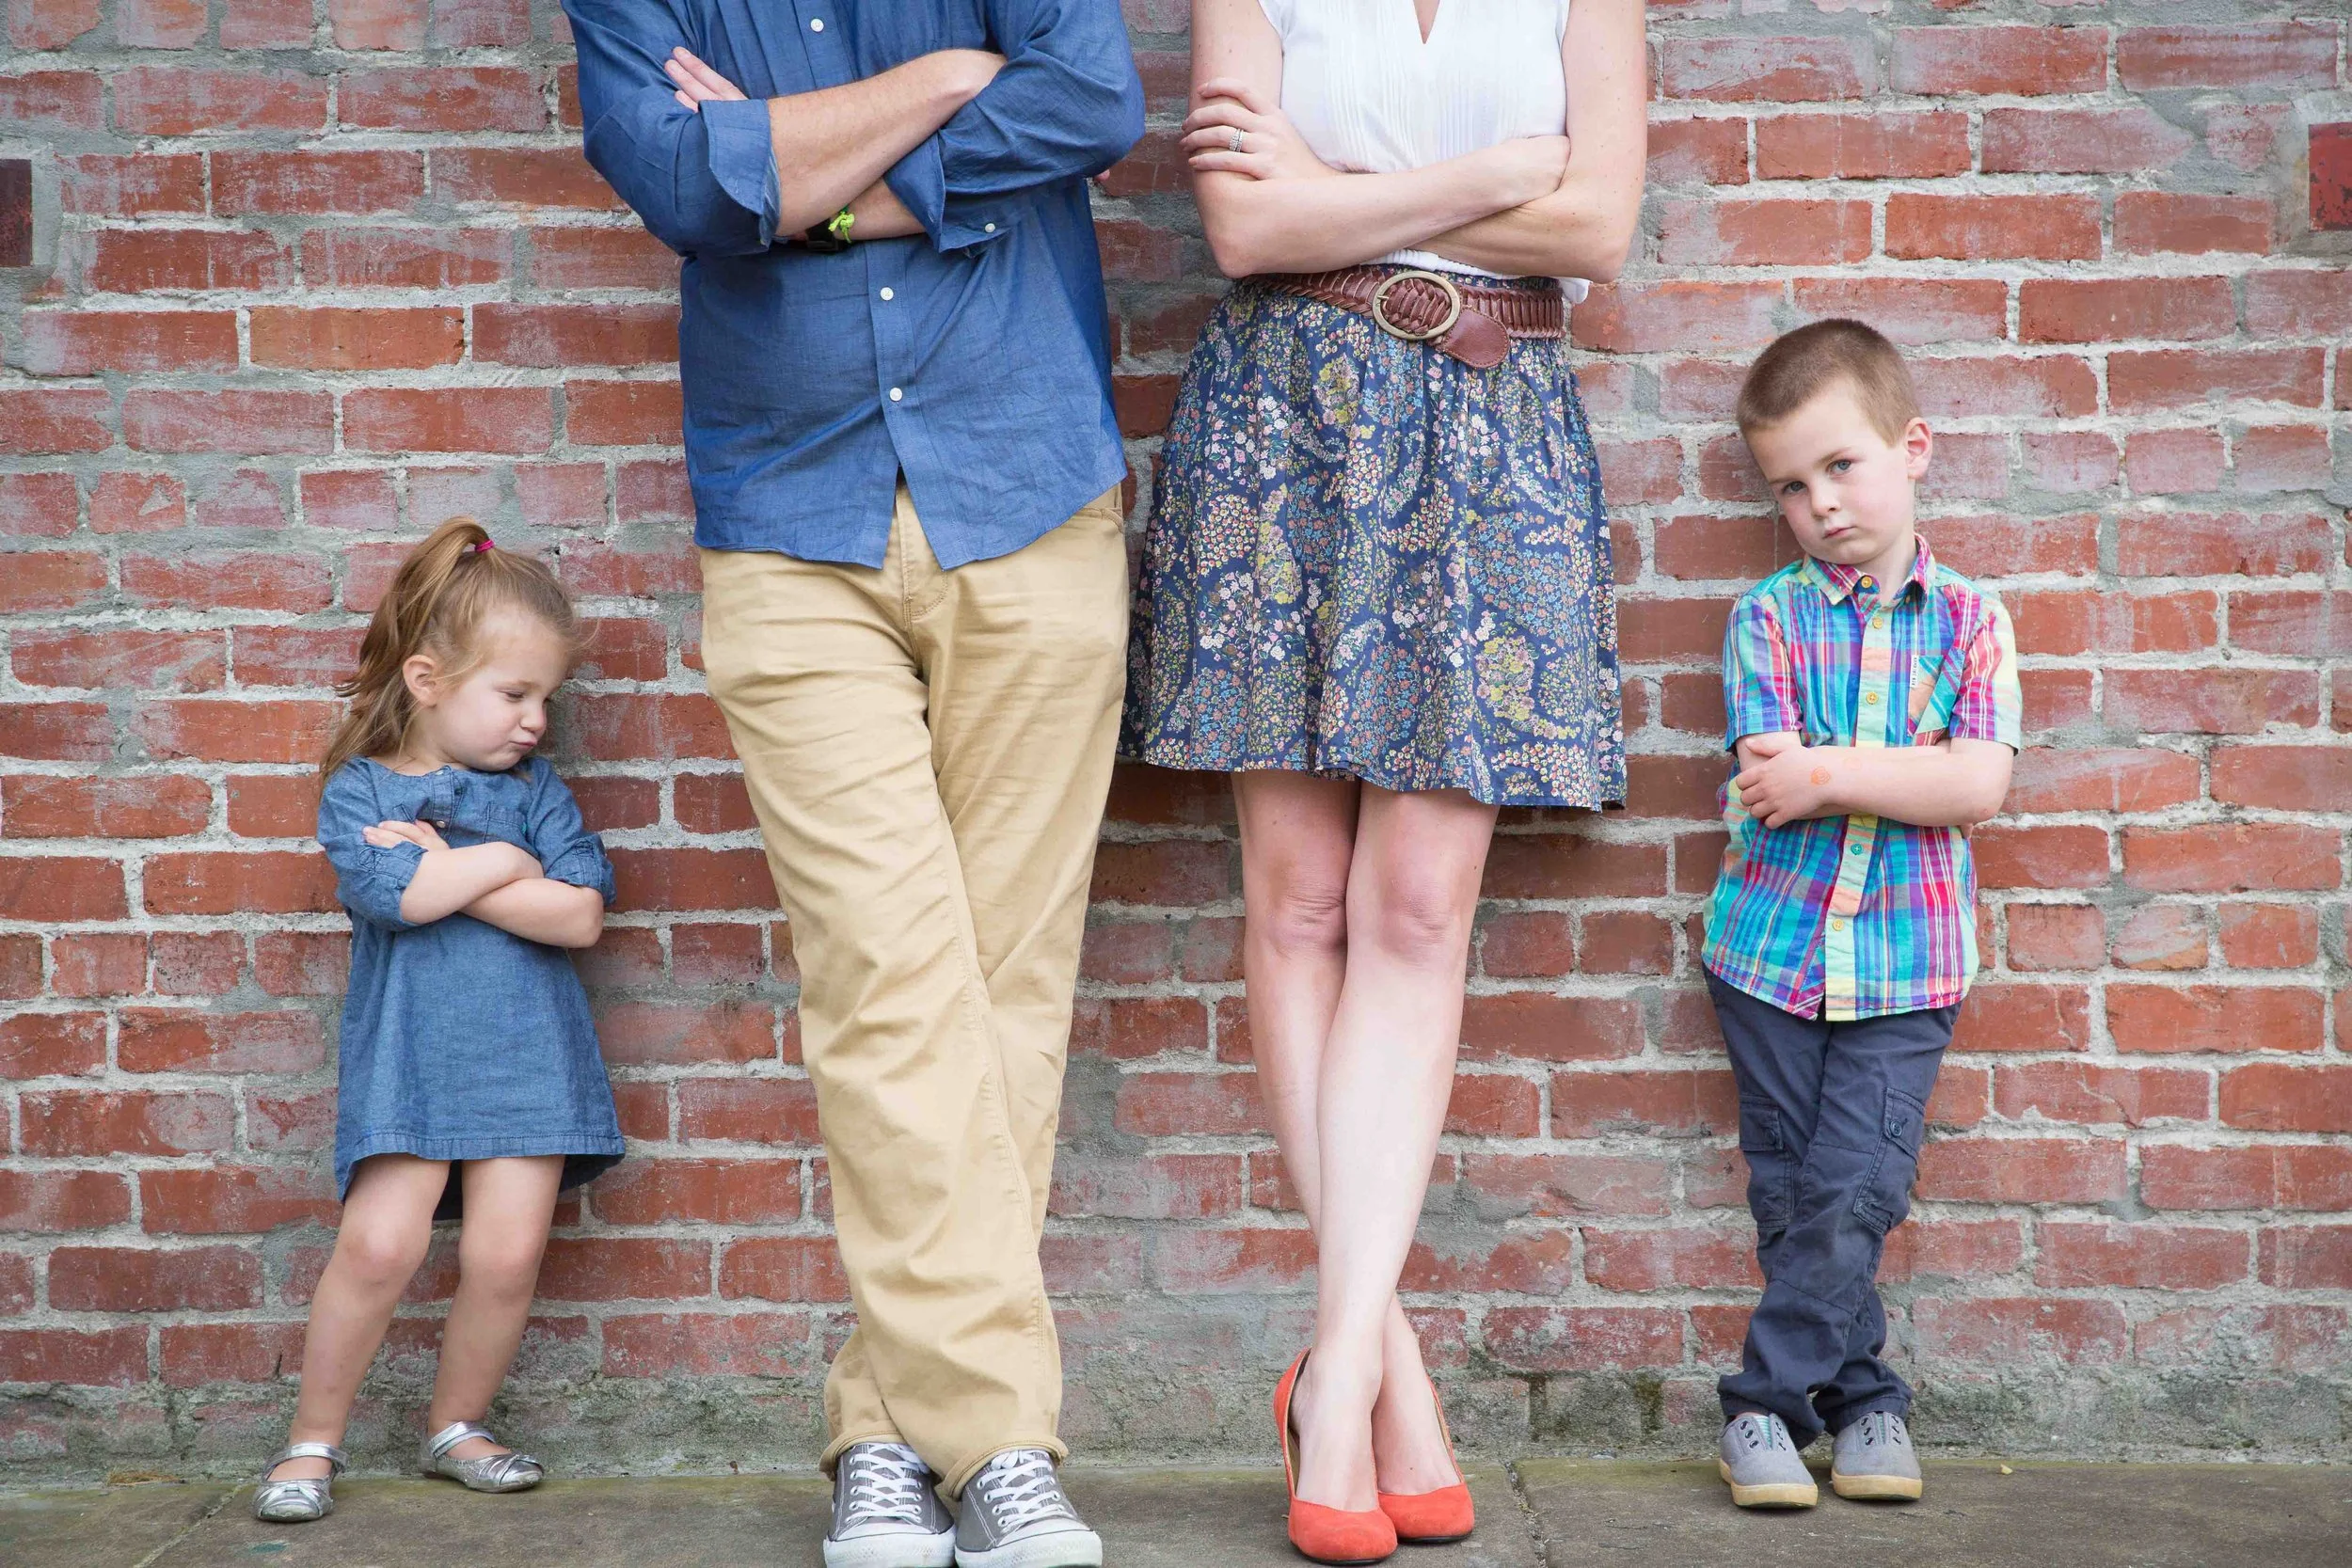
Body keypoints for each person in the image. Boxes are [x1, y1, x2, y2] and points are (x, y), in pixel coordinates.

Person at [563, 3, 1142, 1564]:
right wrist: (947, 85)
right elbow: (683, 188)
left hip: (1025, 478)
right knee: (888, 976)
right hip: (787, 507)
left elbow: (1090, 100)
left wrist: (798, 161)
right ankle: (1002, 1444)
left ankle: (888, 1434)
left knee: (1004, 987)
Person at [1120, 0, 1647, 1560]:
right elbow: (1243, 226)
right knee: (1294, 907)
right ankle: (1385, 1373)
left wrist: (1332, 202)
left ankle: (1337, 1360)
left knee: (1417, 909)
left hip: (1494, 428)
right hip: (1284, 423)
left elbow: (1600, 223)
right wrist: (1500, 171)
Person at [1703, 319, 2020, 1510]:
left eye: (1841, 466)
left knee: (1856, 1184)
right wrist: (1890, 772)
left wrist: (1832, 771)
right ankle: (1865, 1398)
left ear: (1912, 446)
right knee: (1795, 1192)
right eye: (1791, 484)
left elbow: (1977, 784)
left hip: (1907, 962)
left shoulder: (1972, 618)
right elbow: (1767, 781)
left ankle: (1763, 1407)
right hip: (1768, 958)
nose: (1820, 502)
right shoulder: (1767, 619)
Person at [252, 517, 625, 1524]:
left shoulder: (537, 794)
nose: (535, 720)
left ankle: (456, 1425)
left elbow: (581, 914)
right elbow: (397, 897)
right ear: (426, 679)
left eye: (544, 697)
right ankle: (311, 1440)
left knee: (505, 1257)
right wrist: (509, 868)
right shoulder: (361, 789)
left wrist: (473, 862)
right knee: (378, 1245)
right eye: (514, 693)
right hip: (411, 1057)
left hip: (527, 1056)